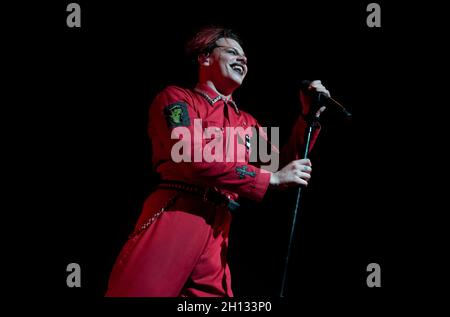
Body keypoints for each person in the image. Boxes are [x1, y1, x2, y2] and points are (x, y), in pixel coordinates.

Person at [105, 26, 330, 297]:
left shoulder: (245, 123)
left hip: (218, 229)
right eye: (233, 52)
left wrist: (309, 117)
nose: (243, 60)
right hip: (178, 213)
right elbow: (191, 157)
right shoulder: (177, 98)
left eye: (245, 57)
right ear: (205, 57)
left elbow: (282, 167)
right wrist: (270, 178)